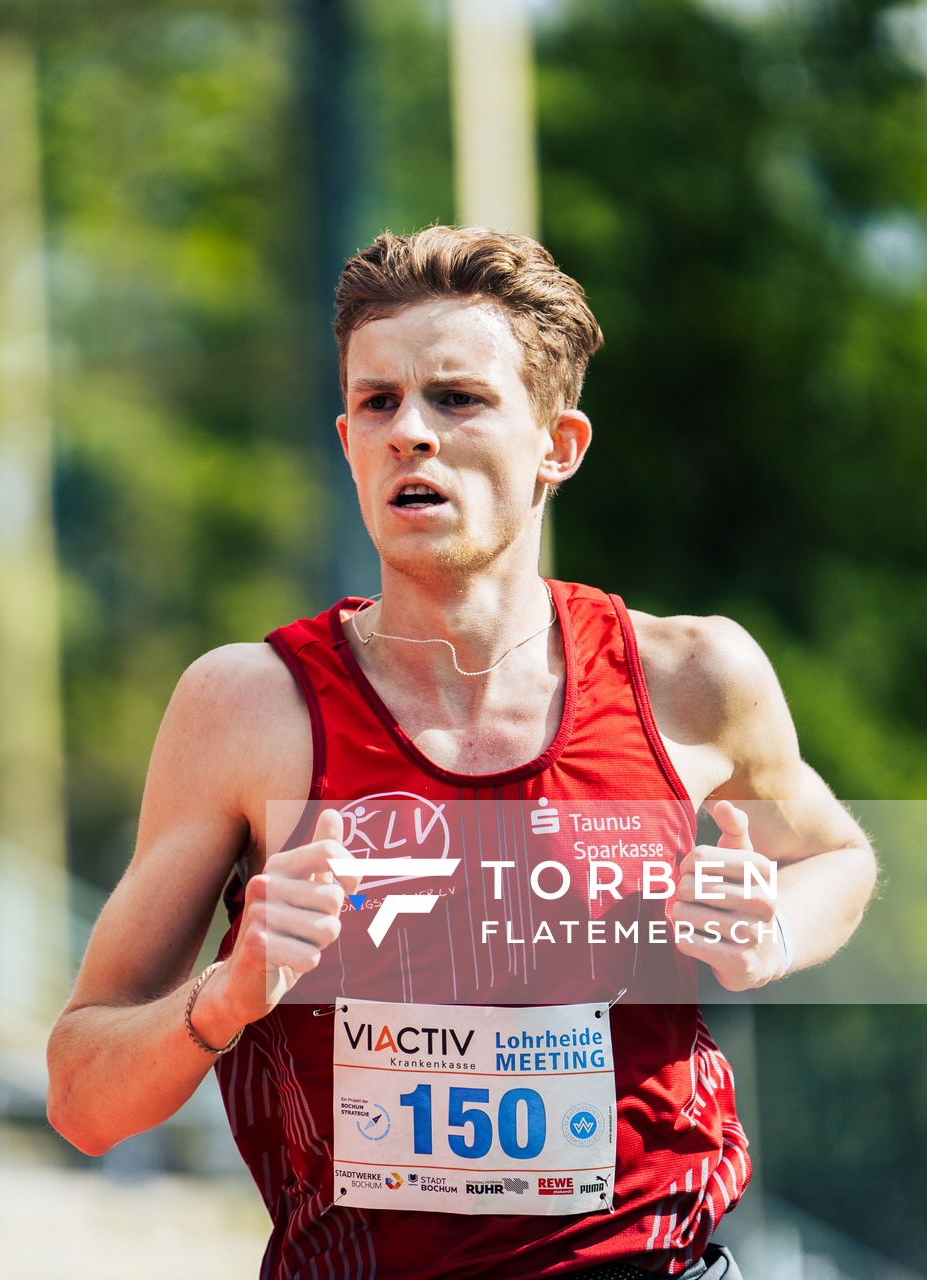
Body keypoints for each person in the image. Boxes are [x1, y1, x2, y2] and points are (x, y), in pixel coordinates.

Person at [46, 225, 877, 1278]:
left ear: (558, 446)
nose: (412, 435)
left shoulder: (690, 677)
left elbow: (835, 857)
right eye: (379, 403)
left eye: (458, 398)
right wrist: (231, 992)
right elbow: (81, 1095)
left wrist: (773, 931)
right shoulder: (249, 708)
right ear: (345, 440)